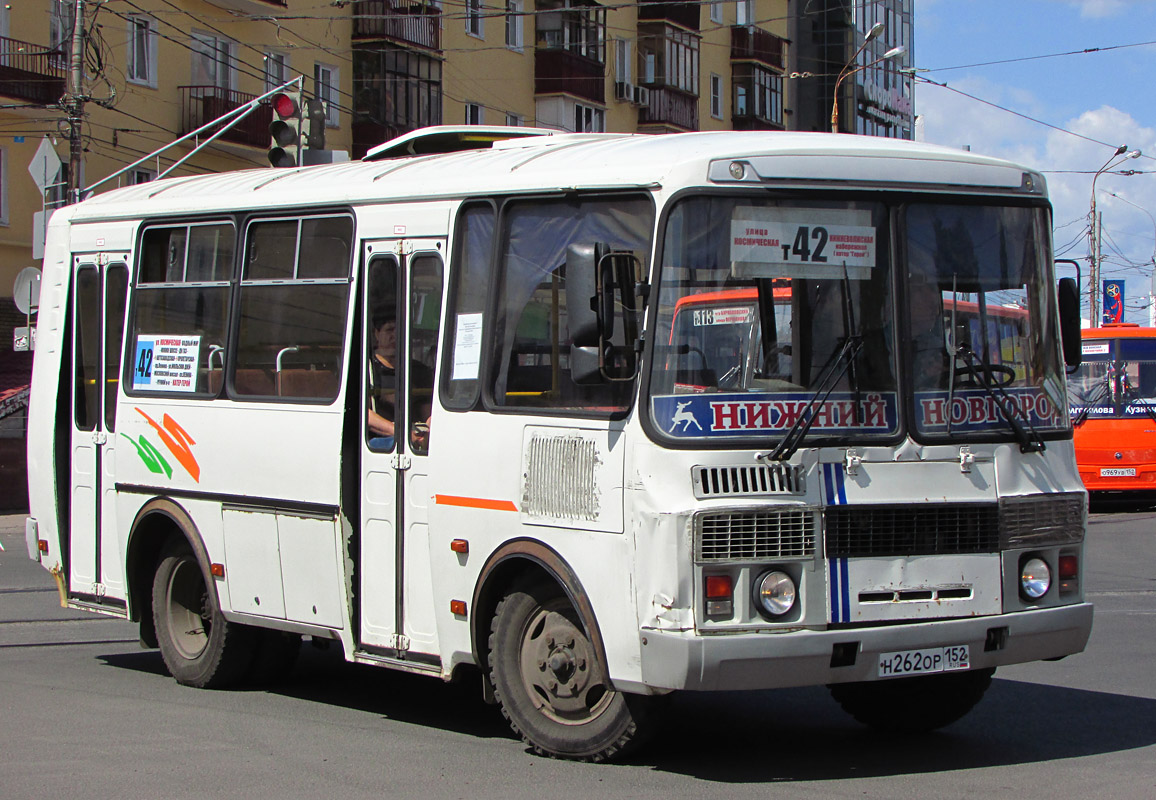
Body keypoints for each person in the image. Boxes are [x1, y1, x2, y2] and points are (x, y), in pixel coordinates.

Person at [368, 310, 433, 452]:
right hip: (380, 443)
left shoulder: (417, 370)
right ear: (377, 334)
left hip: (416, 438)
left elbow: (427, 410)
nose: (395, 335)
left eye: (399, 330)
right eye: (389, 330)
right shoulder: (366, 369)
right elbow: (365, 415)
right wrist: (401, 433)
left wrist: (429, 428)